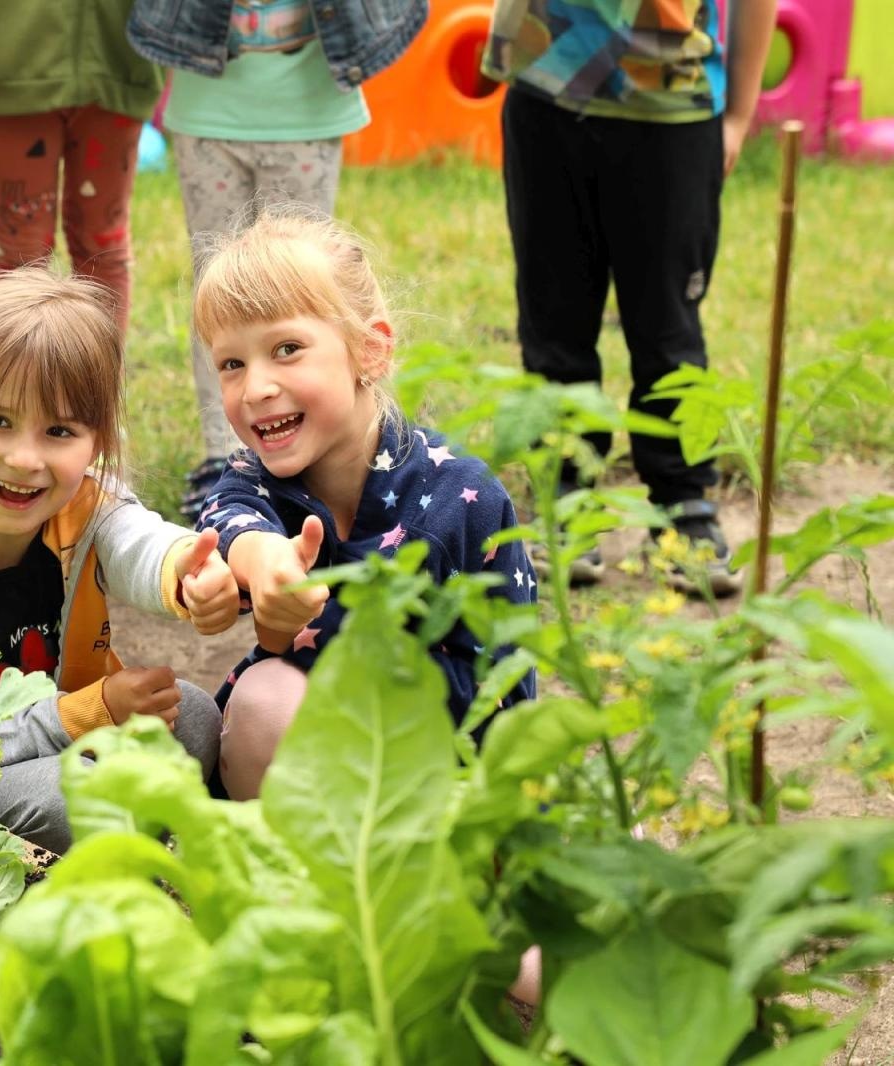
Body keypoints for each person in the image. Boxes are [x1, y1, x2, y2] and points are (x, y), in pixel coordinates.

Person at [0, 269, 238, 853]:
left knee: (199, 716)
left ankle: (129, 832)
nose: (26, 459)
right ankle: (138, 832)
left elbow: (140, 542)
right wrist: (87, 712)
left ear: (96, 443)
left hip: (75, 743)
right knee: (71, 800)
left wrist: (188, 569)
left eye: (59, 431)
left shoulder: (83, 509)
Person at [190, 208, 537, 800]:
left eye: (287, 348)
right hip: (319, 760)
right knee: (262, 701)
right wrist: (261, 566)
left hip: (442, 765)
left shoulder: (462, 498)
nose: (255, 388)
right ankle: (281, 881)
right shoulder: (255, 479)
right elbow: (232, 521)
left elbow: (507, 688)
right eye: (232, 363)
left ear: (369, 352)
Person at [482, 0, 777, 596]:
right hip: (547, 90)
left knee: (669, 331)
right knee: (553, 320)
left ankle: (683, 506)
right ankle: (563, 498)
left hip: (671, 108)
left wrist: (740, 114)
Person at [126, 0, 425, 522]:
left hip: (306, 106)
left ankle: (339, 450)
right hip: (207, 104)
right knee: (216, 296)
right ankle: (227, 457)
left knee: (305, 293)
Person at [0, 0, 162, 335]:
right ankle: (16, 385)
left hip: (117, 55)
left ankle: (98, 384)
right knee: (19, 254)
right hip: (12, 57)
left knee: (102, 248)